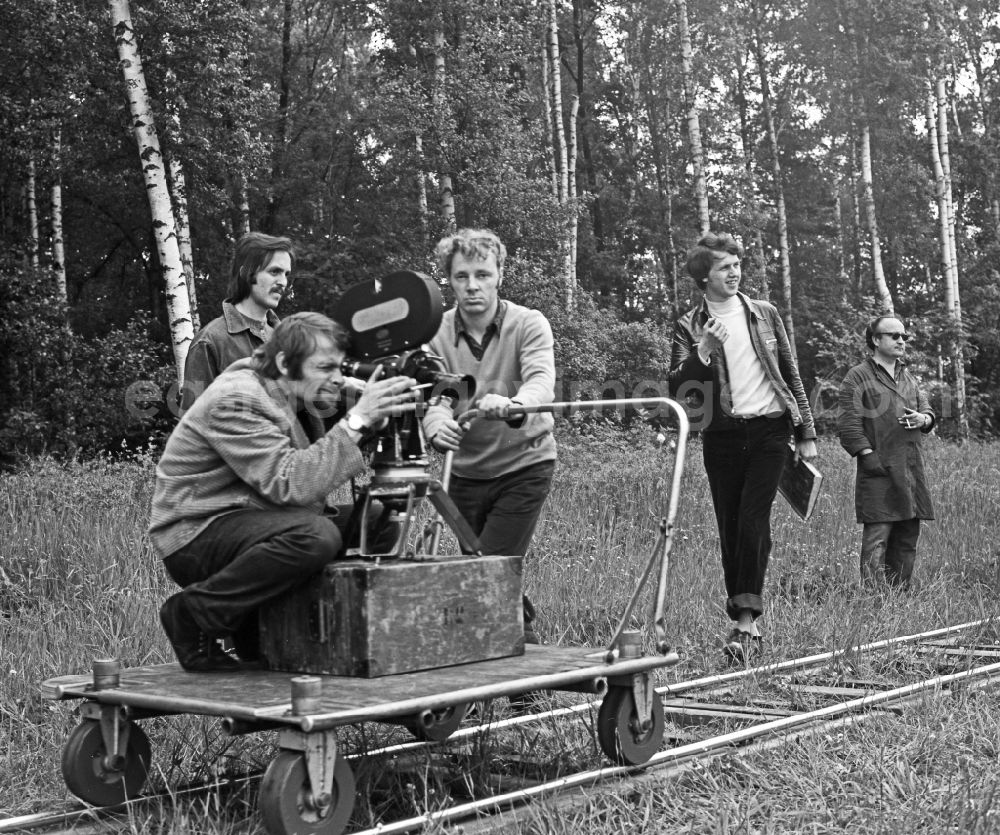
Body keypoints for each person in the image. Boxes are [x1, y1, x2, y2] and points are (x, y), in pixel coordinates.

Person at [150, 312, 419, 671]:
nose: (337, 379)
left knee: (378, 516)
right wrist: (357, 421)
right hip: (195, 535)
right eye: (325, 367)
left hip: (248, 520)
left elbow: (307, 473)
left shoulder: (280, 388)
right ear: (282, 361)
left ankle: (304, 629)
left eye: (340, 367)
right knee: (314, 536)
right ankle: (193, 615)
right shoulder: (238, 400)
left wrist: (374, 420)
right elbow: (292, 484)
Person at [668, 232, 817, 663]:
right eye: (724, 267)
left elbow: (791, 373)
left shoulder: (765, 314)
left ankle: (745, 620)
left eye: (737, 265)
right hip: (722, 435)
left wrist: (805, 431)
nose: (734, 273)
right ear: (704, 278)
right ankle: (744, 617)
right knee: (730, 525)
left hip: (771, 430)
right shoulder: (688, 325)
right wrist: (704, 351)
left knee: (753, 518)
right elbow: (679, 387)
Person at [421, 228, 556, 643]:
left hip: (524, 464)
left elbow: (540, 382)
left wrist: (514, 404)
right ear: (450, 279)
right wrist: (435, 420)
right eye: (462, 276)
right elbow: (441, 394)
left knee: (489, 570)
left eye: (482, 273)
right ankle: (525, 677)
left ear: (500, 273)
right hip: (463, 475)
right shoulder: (436, 333)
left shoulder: (528, 324)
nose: (472, 285)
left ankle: (517, 689)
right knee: (489, 574)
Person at [837, 316, 935, 588]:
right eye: (893, 335)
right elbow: (848, 424)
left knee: (907, 534)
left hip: (910, 466)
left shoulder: (907, 376)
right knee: (877, 536)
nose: (901, 340)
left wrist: (923, 420)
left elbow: (927, 411)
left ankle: (899, 595)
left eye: (903, 336)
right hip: (879, 467)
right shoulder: (858, 375)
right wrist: (869, 457)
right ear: (875, 340)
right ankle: (873, 599)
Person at [180, 232, 295, 411]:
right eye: (275, 272)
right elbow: (192, 427)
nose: (283, 282)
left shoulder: (287, 340)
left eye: (286, 274)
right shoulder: (210, 342)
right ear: (247, 274)